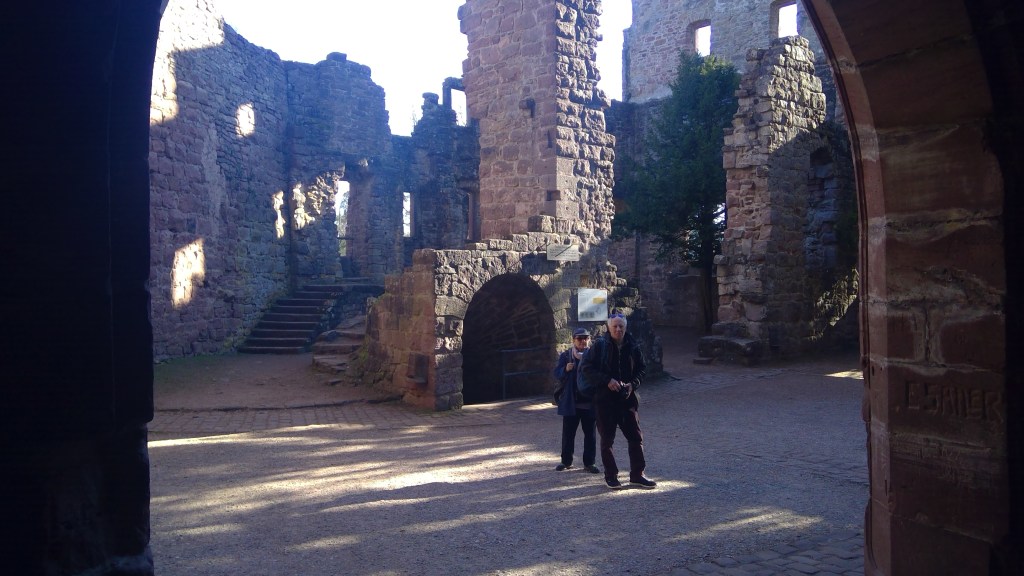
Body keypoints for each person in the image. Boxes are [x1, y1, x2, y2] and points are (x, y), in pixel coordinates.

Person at [579, 313, 656, 489]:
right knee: (607, 440)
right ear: (609, 327)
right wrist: (607, 380)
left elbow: (642, 369)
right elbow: (587, 369)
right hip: (605, 400)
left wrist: (633, 384)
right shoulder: (600, 345)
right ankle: (611, 475)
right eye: (615, 326)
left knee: (635, 437)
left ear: (625, 327)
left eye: (621, 326)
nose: (618, 329)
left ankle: (637, 474)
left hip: (626, 399)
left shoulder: (633, 345)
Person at [551, 328, 600, 473]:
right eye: (579, 338)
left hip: (589, 402)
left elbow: (600, 374)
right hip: (571, 402)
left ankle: (589, 463)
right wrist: (565, 369)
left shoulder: (593, 355)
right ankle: (566, 461)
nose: (583, 341)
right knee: (568, 434)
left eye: (585, 338)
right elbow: (557, 374)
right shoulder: (566, 356)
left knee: (590, 435)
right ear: (573, 340)